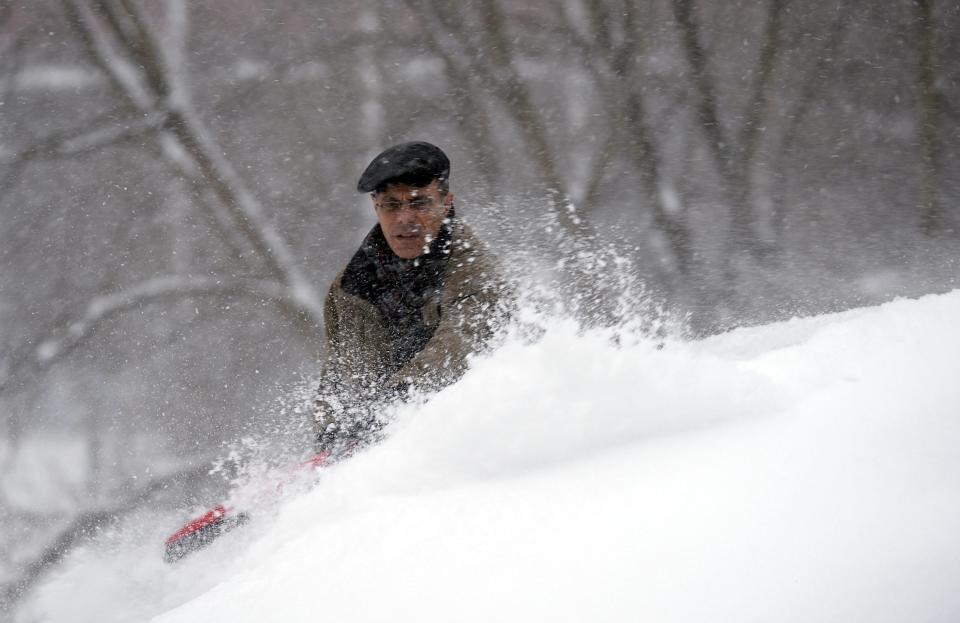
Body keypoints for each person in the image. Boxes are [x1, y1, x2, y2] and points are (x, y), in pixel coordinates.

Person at [313, 141, 510, 455]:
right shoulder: (351, 288)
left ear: (446, 204)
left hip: (478, 435)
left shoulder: (473, 268)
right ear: (376, 208)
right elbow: (341, 373)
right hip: (386, 444)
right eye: (391, 205)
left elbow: (466, 342)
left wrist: (402, 395)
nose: (405, 218)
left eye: (419, 203)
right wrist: (332, 431)